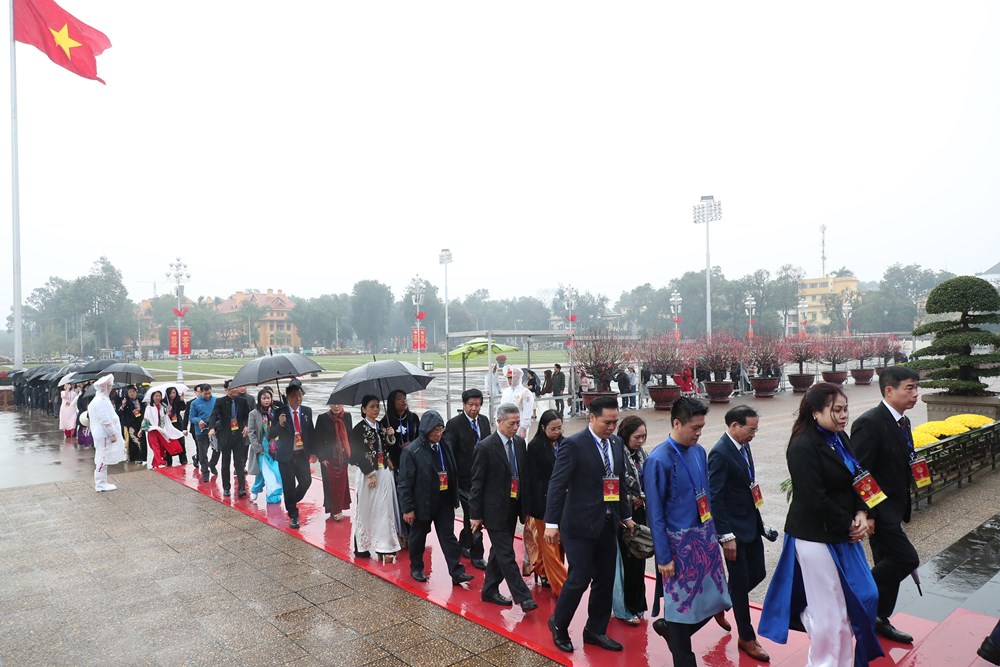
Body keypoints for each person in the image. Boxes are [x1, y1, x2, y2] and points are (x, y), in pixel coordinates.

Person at [759, 383, 882, 667]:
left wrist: (863, 512)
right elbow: (814, 497)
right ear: (815, 412)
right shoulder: (803, 445)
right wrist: (849, 524)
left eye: (845, 409)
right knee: (831, 615)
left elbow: (857, 477)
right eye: (836, 410)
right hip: (815, 537)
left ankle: (838, 657)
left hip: (843, 532)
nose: (843, 416)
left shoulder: (839, 438)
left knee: (861, 599)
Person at [543, 395, 635, 653]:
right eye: (607, 421)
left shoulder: (616, 443)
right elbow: (557, 485)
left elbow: (620, 482)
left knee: (605, 579)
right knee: (579, 578)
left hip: (608, 523)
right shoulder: (574, 445)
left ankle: (596, 629)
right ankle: (558, 625)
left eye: (615, 421)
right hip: (578, 525)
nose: (612, 427)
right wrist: (551, 523)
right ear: (591, 417)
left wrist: (626, 516)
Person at [645, 396, 732, 667]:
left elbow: (705, 495)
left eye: (702, 427)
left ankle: (670, 630)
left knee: (716, 598)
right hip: (677, 545)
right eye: (694, 427)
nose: (699, 432)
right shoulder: (658, 460)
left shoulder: (699, 452)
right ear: (677, 423)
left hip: (704, 537)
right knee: (681, 607)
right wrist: (663, 556)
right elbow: (655, 514)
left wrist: (717, 534)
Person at [852, 366, 922, 645]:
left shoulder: (902, 421)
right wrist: (865, 513)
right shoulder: (870, 423)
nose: (916, 394)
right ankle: (856, 597)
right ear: (889, 390)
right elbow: (859, 471)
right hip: (879, 511)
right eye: (910, 388)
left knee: (887, 562)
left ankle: (879, 618)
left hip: (896, 506)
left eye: (917, 387)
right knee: (906, 559)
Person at [707, 406, 770, 662]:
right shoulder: (719, 454)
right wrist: (725, 535)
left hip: (751, 523)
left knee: (758, 573)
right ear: (734, 426)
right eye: (750, 429)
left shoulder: (744, 446)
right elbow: (715, 498)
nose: (753, 434)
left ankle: (723, 600)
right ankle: (746, 636)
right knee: (741, 582)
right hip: (734, 531)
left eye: (756, 429)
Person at [469, 403, 537, 612]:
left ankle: (489, 590)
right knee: (506, 554)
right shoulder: (485, 447)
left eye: (518, 423)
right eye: (511, 423)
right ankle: (523, 596)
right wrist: (475, 515)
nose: (515, 427)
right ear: (499, 422)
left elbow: (523, 477)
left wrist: (525, 508)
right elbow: (477, 483)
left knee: (498, 553)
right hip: (494, 509)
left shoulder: (519, 443)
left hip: (513, 505)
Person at [397, 409, 475, 586]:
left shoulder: (444, 446)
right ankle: (416, 567)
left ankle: (456, 571)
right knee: (418, 537)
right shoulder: (412, 451)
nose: (438, 434)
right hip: (422, 502)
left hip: (444, 500)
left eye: (440, 429)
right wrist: (407, 508)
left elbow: (452, 470)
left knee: (448, 537)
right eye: (434, 431)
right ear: (425, 430)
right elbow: (404, 483)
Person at [349, 394, 401, 561]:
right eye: (372, 406)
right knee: (364, 510)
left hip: (383, 472)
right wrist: (369, 473)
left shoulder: (380, 426)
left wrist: (390, 435)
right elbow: (355, 454)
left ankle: (384, 546)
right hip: (367, 476)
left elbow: (386, 446)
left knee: (384, 509)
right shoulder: (358, 430)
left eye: (377, 406)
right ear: (364, 409)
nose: (376, 409)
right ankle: (362, 546)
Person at [443, 388, 490, 570]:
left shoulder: (484, 422)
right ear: (463, 405)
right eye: (470, 405)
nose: (474, 409)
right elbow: (449, 452)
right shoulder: (454, 424)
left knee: (473, 515)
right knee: (475, 515)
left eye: (477, 405)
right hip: (464, 480)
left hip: (483, 477)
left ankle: (464, 542)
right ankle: (477, 554)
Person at [525, 410, 568, 596]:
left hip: (564, 503)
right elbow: (532, 480)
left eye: (559, 427)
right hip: (543, 503)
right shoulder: (535, 447)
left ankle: (542, 571)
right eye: (553, 428)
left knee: (559, 545)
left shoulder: (565, 444)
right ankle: (563, 586)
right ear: (543, 427)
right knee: (549, 544)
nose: (557, 431)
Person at [613, 414, 649, 626]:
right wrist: (629, 499)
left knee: (639, 560)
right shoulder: (617, 455)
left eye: (643, 436)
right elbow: (611, 486)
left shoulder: (642, 454)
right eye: (637, 437)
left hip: (639, 514)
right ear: (626, 435)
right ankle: (624, 608)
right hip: (622, 516)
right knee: (626, 562)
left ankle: (637, 604)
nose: (641, 441)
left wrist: (642, 497)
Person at [272, 379, 314, 529]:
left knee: (306, 481)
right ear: (288, 397)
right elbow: (271, 434)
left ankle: (290, 500)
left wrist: (314, 453)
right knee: (289, 486)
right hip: (286, 456)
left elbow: (311, 432)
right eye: (294, 396)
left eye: (300, 396)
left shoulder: (307, 411)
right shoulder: (279, 412)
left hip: (301, 454)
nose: (298, 399)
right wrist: (281, 424)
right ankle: (293, 515)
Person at [208, 380, 251, 498]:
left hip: (239, 435)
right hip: (225, 436)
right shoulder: (220, 401)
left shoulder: (242, 401)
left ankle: (241, 489)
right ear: (226, 389)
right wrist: (211, 428)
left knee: (239, 463)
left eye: (236, 387)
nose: (235, 390)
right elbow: (213, 415)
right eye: (232, 388)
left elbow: (247, 415)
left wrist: (246, 425)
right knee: (225, 463)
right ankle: (226, 488)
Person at [313, 402, 353, 519]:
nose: (336, 407)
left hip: (342, 456)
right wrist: (322, 458)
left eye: (339, 404)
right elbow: (317, 439)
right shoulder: (322, 418)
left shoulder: (347, 416)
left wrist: (350, 455)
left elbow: (350, 436)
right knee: (330, 485)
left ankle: (340, 508)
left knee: (342, 485)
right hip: (328, 458)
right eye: (333, 404)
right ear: (329, 405)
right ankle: (334, 510)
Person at [89, 374, 125, 492]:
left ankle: (102, 482)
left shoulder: (99, 399)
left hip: (102, 434)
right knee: (103, 457)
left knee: (102, 457)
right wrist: (112, 434)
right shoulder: (101, 400)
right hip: (104, 434)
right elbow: (105, 419)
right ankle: (100, 484)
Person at [247, 388, 282, 504]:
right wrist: (257, 448)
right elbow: (251, 432)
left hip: (275, 448)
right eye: (264, 398)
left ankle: (273, 496)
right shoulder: (253, 414)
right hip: (262, 448)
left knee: (276, 472)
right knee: (265, 472)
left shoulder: (277, 411)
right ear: (259, 399)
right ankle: (256, 490)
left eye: (268, 398)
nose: (266, 400)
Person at [143, 389, 185, 469]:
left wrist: (168, 410)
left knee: (162, 446)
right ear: (152, 397)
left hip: (162, 429)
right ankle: (160, 462)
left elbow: (166, 418)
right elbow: (146, 419)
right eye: (156, 396)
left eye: (159, 396)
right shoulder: (149, 407)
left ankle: (155, 463)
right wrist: (142, 430)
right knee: (155, 446)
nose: (158, 397)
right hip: (153, 429)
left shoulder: (164, 406)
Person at [379, 389, 420, 471]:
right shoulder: (385, 422)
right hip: (395, 461)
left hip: (413, 458)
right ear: (392, 402)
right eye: (399, 399)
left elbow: (419, 437)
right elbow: (382, 445)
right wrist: (388, 436)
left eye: (404, 398)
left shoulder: (413, 418)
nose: (403, 401)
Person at [188, 384, 217, 482]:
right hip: (201, 431)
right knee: (202, 452)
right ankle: (205, 471)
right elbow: (191, 417)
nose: (208, 396)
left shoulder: (216, 400)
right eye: (205, 394)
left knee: (217, 449)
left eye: (209, 393)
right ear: (201, 392)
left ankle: (212, 464)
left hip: (214, 429)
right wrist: (198, 420)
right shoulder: (195, 403)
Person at [118, 385, 147, 464]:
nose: (132, 393)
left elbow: (144, 411)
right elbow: (120, 413)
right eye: (130, 392)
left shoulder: (141, 400)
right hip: (130, 424)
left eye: (133, 391)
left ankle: (142, 457)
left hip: (140, 423)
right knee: (133, 441)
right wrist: (123, 405)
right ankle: (133, 457)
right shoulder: (126, 401)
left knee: (141, 441)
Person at [164, 386, 189, 465]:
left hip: (177, 422)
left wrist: (182, 400)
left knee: (180, 440)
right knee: (169, 441)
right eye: (170, 393)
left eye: (174, 393)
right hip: (168, 422)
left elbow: (183, 408)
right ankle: (168, 460)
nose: (172, 395)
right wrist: (167, 410)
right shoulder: (164, 402)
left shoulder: (177, 400)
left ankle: (183, 459)